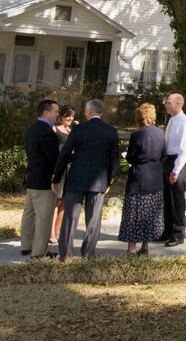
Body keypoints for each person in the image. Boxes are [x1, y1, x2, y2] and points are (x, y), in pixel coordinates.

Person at [52, 98, 120, 261]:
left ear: (89, 112)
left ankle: (65, 254)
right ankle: (88, 253)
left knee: (70, 217)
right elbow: (114, 158)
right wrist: (110, 179)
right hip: (99, 181)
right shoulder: (111, 131)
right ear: (101, 112)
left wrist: (57, 176)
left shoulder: (79, 129)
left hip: (76, 178)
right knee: (93, 220)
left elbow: (65, 153)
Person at [119, 102, 166, 255]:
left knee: (134, 212)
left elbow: (131, 157)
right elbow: (164, 155)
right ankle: (145, 246)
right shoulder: (161, 134)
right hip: (155, 177)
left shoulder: (136, 135)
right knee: (150, 212)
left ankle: (131, 247)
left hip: (139, 176)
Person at [21, 99, 60, 259]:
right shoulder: (47, 132)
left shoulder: (31, 129)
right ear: (46, 112)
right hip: (44, 179)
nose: (57, 115)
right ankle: (39, 251)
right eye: (55, 112)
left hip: (31, 176)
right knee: (44, 217)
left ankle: (26, 246)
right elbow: (53, 156)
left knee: (29, 214)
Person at [161, 92, 186, 246]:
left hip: (178, 161)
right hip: (168, 160)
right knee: (167, 198)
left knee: (176, 199)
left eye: (169, 102)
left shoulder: (184, 123)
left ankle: (178, 233)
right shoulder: (172, 120)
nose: (166, 105)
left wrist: (176, 170)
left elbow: (184, 149)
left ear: (178, 104)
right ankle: (167, 231)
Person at [49, 105, 77, 247]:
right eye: (68, 116)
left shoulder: (71, 130)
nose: (70, 119)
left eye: (72, 117)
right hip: (59, 168)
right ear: (61, 116)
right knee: (56, 202)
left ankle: (58, 231)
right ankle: (51, 233)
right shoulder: (55, 130)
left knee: (64, 202)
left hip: (69, 169)